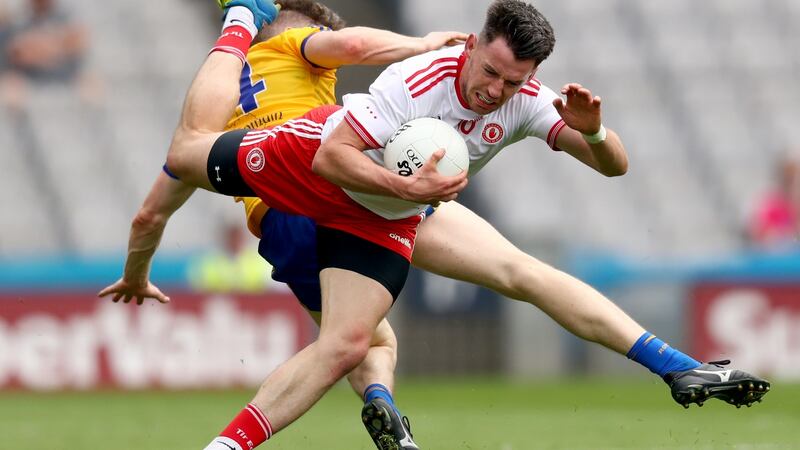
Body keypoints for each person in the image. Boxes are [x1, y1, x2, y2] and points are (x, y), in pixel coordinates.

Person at [102, 1, 770, 449]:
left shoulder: (529, 101)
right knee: (188, 150)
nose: (494, 92)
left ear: (532, 76)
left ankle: (677, 368)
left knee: (391, 327)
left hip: (388, 209)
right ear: (473, 45)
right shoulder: (417, 78)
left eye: (512, 82)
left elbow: (615, 168)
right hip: (308, 168)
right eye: (489, 72)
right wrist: (409, 187)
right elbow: (335, 155)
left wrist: (595, 138)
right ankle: (241, 19)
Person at [98, 1, 466, 448]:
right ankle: (369, 404)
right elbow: (351, 43)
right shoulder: (295, 45)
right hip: (330, 193)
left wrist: (135, 277)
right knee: (367, 343)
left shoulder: (216, 108)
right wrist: (421, 45)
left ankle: (373, 412)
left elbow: (148, 215)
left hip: (278, 224)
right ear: (306, 29)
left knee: (354, 342)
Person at [748, 152, 800, 250]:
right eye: (789, 178)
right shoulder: (770, 203)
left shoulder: (795, 203)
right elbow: (759, 233)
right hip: (776, 255)